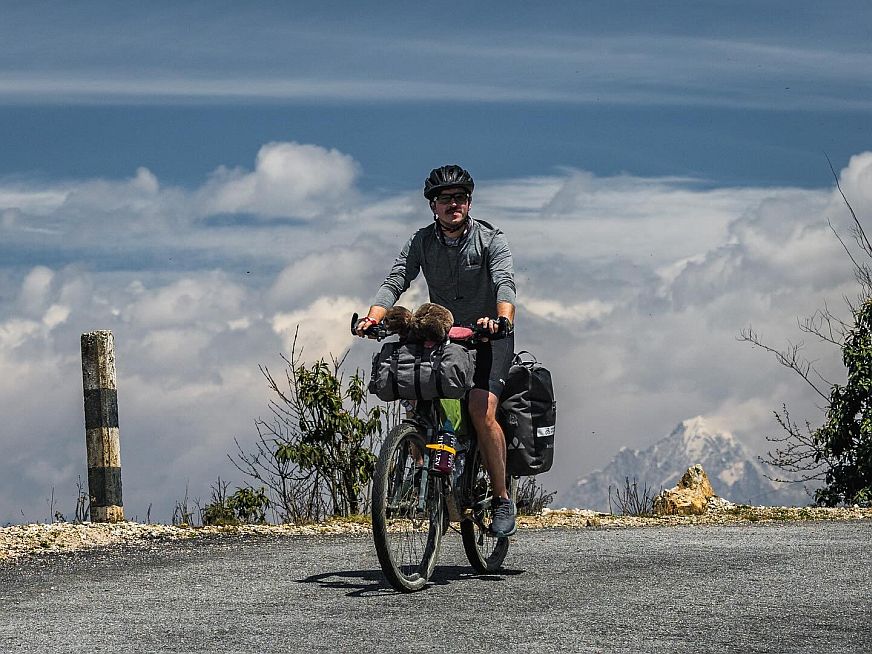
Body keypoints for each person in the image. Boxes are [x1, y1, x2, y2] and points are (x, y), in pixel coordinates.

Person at [355, 164, 518, 536]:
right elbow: (397, 278)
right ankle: (432, 492)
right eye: (445, 199)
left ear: (469, 202)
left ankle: (501, 498)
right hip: (444, 336)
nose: (453, 205)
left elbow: (504, 282)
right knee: (417, 400)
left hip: (488, 335)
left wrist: (501, 319)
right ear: (433, 206)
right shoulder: (422, 242)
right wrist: (372, 317)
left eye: (459, 198)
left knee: (480, 408)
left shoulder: (491, 240)